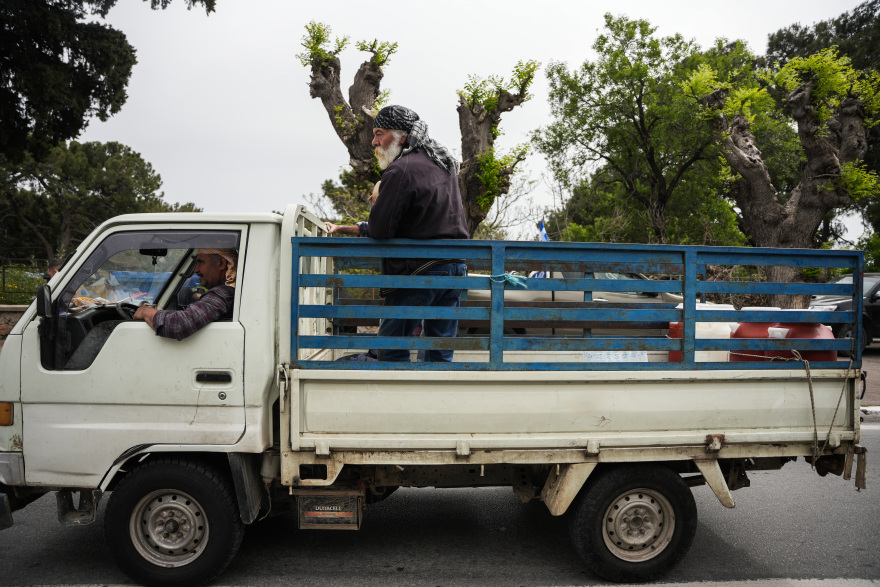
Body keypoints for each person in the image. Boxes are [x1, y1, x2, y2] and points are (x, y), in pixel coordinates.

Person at [329, 105, 470, 362]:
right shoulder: (444, 163)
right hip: (455, 268)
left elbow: (381, 229)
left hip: (419, 270)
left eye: (379, 134)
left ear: (402, 137)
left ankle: (398, 388)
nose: (374, 142)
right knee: (439, 351)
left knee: (390, 349)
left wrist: (373, 212)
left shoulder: (400, 169)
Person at [133, 248, 237, 340]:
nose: (195, 270)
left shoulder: (223, 293)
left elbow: (178, 325)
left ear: (221, 263)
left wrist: (146, 312)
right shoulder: (228, 292)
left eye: (200, 262)